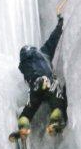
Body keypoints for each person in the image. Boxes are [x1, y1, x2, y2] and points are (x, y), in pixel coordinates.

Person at [9, 14, 67, 142]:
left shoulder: (23, 65)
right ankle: (54, 121)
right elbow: (54, 39)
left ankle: (23, 127)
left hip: (36, 87)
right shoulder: (44, 52)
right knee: (57, 101)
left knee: (29, 110)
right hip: (47, 81)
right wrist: (60, 24)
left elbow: (29, 75)